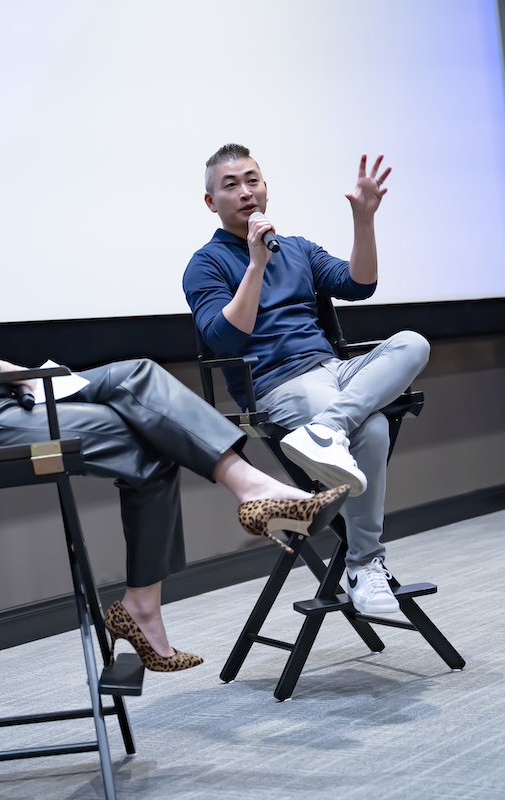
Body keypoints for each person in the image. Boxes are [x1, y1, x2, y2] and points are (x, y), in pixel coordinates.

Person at [0, 126, 349, 673]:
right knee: (146, 437)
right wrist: (12, 374)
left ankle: (207, 538)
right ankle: (211, 535)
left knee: (140, 380)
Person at [183, 143, 430, 615]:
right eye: (230, 185)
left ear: (266, 189)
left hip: (333, 371)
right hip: (279, 384)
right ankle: (364, 564)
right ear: (212, 202)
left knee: (412, 343)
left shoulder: (297, 249)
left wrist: (364, 220)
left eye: (253, 180)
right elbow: (224, 339)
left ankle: (329, 429)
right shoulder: (206, 264)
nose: (245, 192)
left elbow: (359, 285)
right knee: (373, 427)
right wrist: (254, 264)